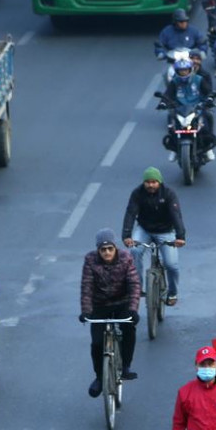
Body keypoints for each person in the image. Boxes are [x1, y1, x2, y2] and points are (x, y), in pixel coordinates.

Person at [79, 229, 139, 397]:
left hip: (122, 303)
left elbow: (134, 284)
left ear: (115, 248)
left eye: (110, 249)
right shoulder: (90, 260)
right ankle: (99, 377)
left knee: (128, 328)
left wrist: (133, 309)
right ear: (98, 250)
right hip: (100, 305)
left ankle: (125, 366)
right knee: (97, 343)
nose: (107, 252)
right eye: (103, 249)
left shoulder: (126, 258)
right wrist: (86, 311)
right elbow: (87, 287)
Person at [122, 167, 185, 306]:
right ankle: (137, 287)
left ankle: (173, 292)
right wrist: (127, 235)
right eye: (148, 182)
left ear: (159, 182)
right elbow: (131, 213)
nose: (150, 185)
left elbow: (176, 215)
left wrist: (180, 236)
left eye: (154, 182)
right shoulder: (137, 193)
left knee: (171, 265)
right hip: (145, 230)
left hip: (166, 231)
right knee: (135, 251)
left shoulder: (169, 194)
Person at [164, 58, 216, 162]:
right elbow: (168, 94)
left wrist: (210, 99)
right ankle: (174, 148)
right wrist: (164, 102)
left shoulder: (199, 79)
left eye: (185, 70)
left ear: (190, 70)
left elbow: (208, 92)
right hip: (180, 109)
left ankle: (209, 148)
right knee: (170, 117)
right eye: (181, 70)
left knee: (208, 116)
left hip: (197, 108)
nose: (183, 72)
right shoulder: (175, 82)